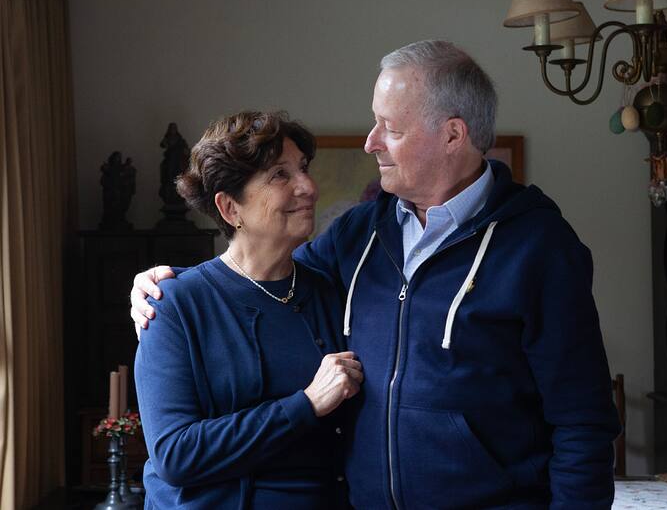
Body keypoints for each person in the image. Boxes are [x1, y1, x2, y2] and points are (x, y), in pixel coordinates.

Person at [132, 40, 621, 509]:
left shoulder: (541, 247)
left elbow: (583, 421)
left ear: (453, 135)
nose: (371, 143)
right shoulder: (360, 232)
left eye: (391, 128)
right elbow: (260, 274)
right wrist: (172, 286)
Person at [134, 110, 362, 509]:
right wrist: (306, 404)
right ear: (230, 208)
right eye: (280, 175)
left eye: (303, 168)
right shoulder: (174, 305)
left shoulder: (330, 292)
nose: (308, 186)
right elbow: (175, 454)